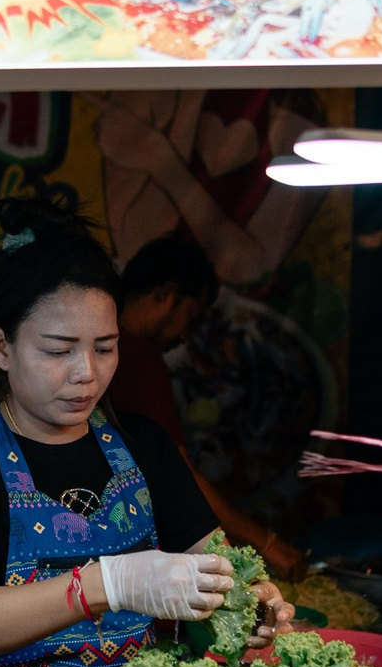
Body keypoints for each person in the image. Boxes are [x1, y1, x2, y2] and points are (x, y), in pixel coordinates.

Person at [0, 197, 293, 667]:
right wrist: (107, 584)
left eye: (105, 348)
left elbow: (217, 573)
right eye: (57, 350)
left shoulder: (144, 446)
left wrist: (249, 607)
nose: (86, 373)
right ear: (1, 347)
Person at [114, 231, 306, 581]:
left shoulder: (107, 348)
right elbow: (178, 475)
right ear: (166, 294)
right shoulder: (140, 357)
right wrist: (266, 543)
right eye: (192, 315)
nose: (187, 335)